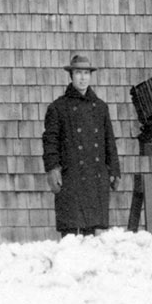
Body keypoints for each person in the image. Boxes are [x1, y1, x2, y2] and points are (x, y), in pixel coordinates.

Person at [42, 53, 120, 237]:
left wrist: (114, 169)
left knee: (91, 233)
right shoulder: (58, 108)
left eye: (86, 73)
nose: (83, 77)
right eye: (78, 72)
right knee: (70, 234)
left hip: (95, 176)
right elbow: (50, 142)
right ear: (71, 76)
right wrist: (52, 169)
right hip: (71, 178)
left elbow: (109, 141)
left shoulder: (100, 107)